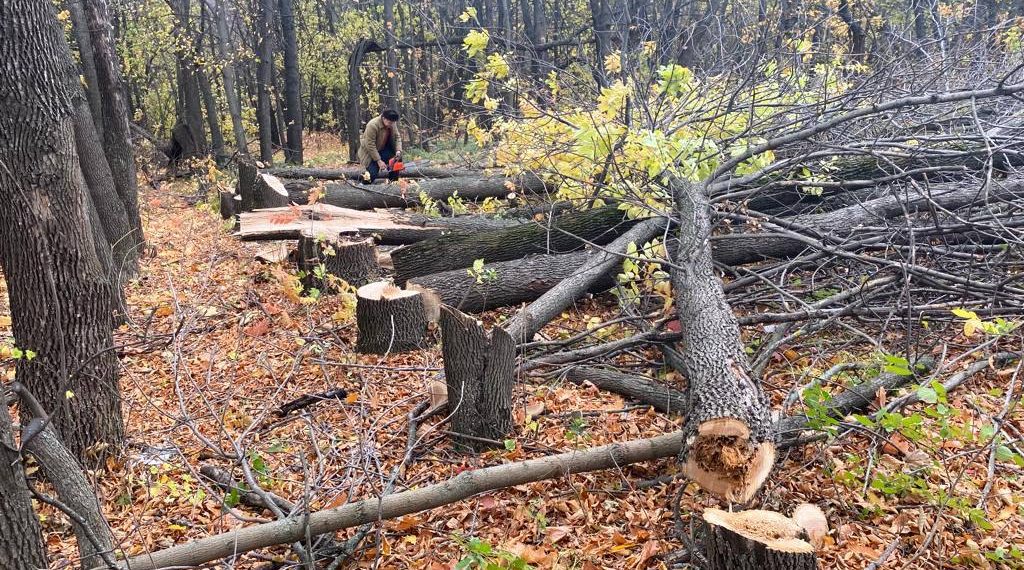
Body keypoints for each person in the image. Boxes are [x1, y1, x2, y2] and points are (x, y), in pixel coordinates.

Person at [357, 109, 403, 182]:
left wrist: (398, 150)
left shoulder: (392, 123)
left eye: (393, 123)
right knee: (372, 175)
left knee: (397, 161)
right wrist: (379, 161)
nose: (391, 124)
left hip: (384, 150)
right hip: (370, 153)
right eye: (389, 122)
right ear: (383, 118)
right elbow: (370, 145)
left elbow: (397, 137)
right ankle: (361, 184)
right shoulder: (372, 125)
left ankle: (393, 183)